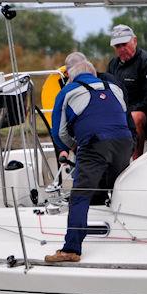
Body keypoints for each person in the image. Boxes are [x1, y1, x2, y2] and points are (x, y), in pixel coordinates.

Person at [46, 57, 133, 263]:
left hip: (94, 145)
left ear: (71, 77)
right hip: (124, 141)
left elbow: (58, 133)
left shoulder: (67, 91)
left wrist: (73, 145)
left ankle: (71, 249)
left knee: (80, 196)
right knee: (118, 188)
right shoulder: (115, 88)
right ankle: (130, 235)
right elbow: (123, 119)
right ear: (94, 74)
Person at [107, 24, 147, 159]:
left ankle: (136, 160)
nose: (122, 49)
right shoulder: (113, 64)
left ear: (134, 41)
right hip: (121, 111)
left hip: (146, 113)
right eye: (118, 46)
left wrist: (126, 112)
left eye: (124, 44)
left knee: (134, 117)